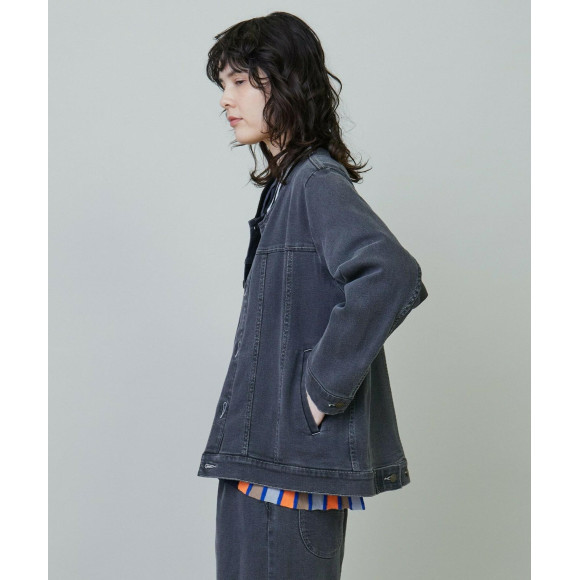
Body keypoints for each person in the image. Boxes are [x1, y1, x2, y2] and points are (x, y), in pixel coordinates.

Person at [197, 11, 429, 579]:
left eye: (240, 82)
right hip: (261, 464)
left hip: (289, 474)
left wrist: (320, 391)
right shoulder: (285, 187)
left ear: (285, 84)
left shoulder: (315, 181)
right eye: (223, 84)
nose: (226, 99)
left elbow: (390, 272)